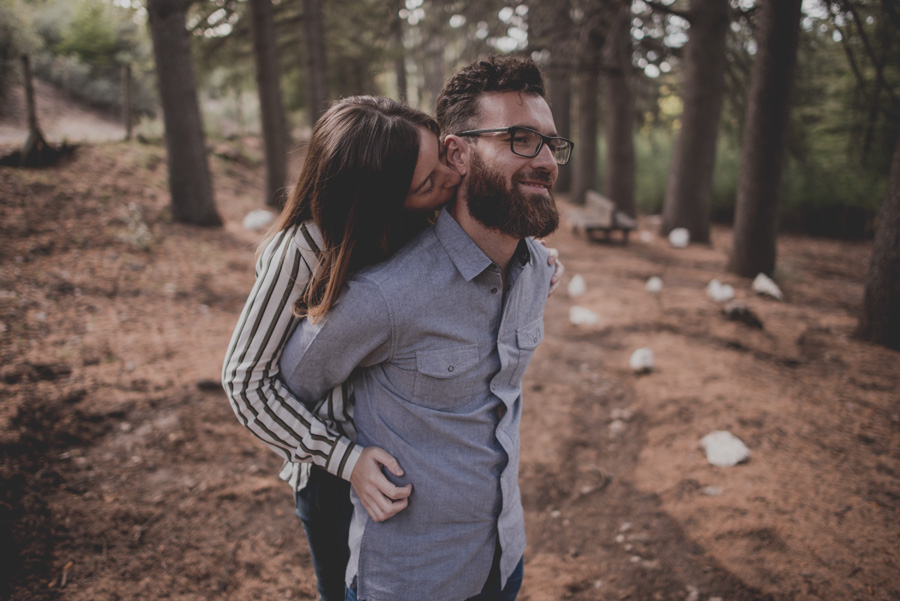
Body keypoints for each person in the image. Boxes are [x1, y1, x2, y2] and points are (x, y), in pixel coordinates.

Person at [222, 95, 563, 601]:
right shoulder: (301, 249)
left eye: (443, 160)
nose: (451, 180)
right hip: (331, 465)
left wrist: (530, 261)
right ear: (382, 198)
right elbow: (246, 382)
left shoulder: (417, 220)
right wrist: (343, 458)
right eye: (429, 182)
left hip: (401, 449)